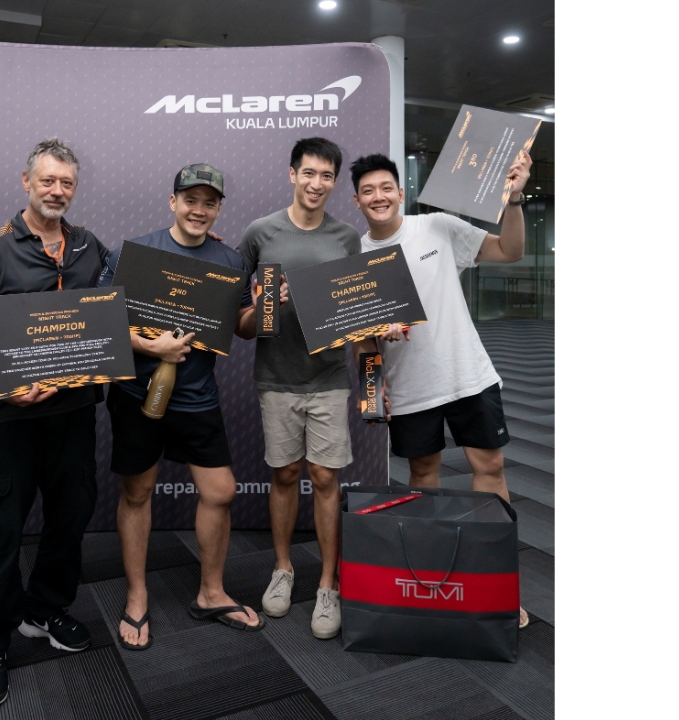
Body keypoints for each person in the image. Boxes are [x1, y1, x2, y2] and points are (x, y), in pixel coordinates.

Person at [0, 137, 110, 708]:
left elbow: (108, 316)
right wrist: (3, 379)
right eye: (47, 181)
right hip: (11, 417)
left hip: (73, 413)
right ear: (27, 182)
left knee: (70, 516)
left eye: (66, 183)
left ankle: (44, 609)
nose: (57, 191)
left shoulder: (91, 247)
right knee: (1, 530)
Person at [348, 151, 533, 629]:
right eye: (368, 191)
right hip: (410, 386)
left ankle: (496, 583)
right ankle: (430, 580)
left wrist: (514, 201)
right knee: (422, 477)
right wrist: (372, 395)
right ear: (357, 201)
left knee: (490, 469)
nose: (378, 197)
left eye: (385, 187)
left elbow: (509, 251)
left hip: (467, 373)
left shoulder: (436, 227)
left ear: (399, 192)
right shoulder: (355, 257)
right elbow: (362, 339)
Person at [98, 164, 272, 650]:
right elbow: (102, 319)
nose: (199, 210)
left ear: (218, 209)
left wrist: (265, 307)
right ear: (172, 202)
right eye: (190, 200)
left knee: (220, 491)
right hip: (137, 395)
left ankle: (211, 593)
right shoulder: (134, 253)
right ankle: (137, 596)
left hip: (196, 397)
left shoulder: (230, 260)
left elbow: (241, 327)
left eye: (209, 203)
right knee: (138, 493)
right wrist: (150, 347)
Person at [236, 137, 361, 640]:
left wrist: (376, 369)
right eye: (308, 173)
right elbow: (239, 321)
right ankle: (283, 568)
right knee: (285, 474)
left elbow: (359, 311)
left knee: (325, 479)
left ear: (335, 181)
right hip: (276, 376)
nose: (316, 183)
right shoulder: (259, 232)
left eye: (326, 176)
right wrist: (264, 305)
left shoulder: (347, 237)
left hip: (329, 377)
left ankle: (329, 584)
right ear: (292, 174)